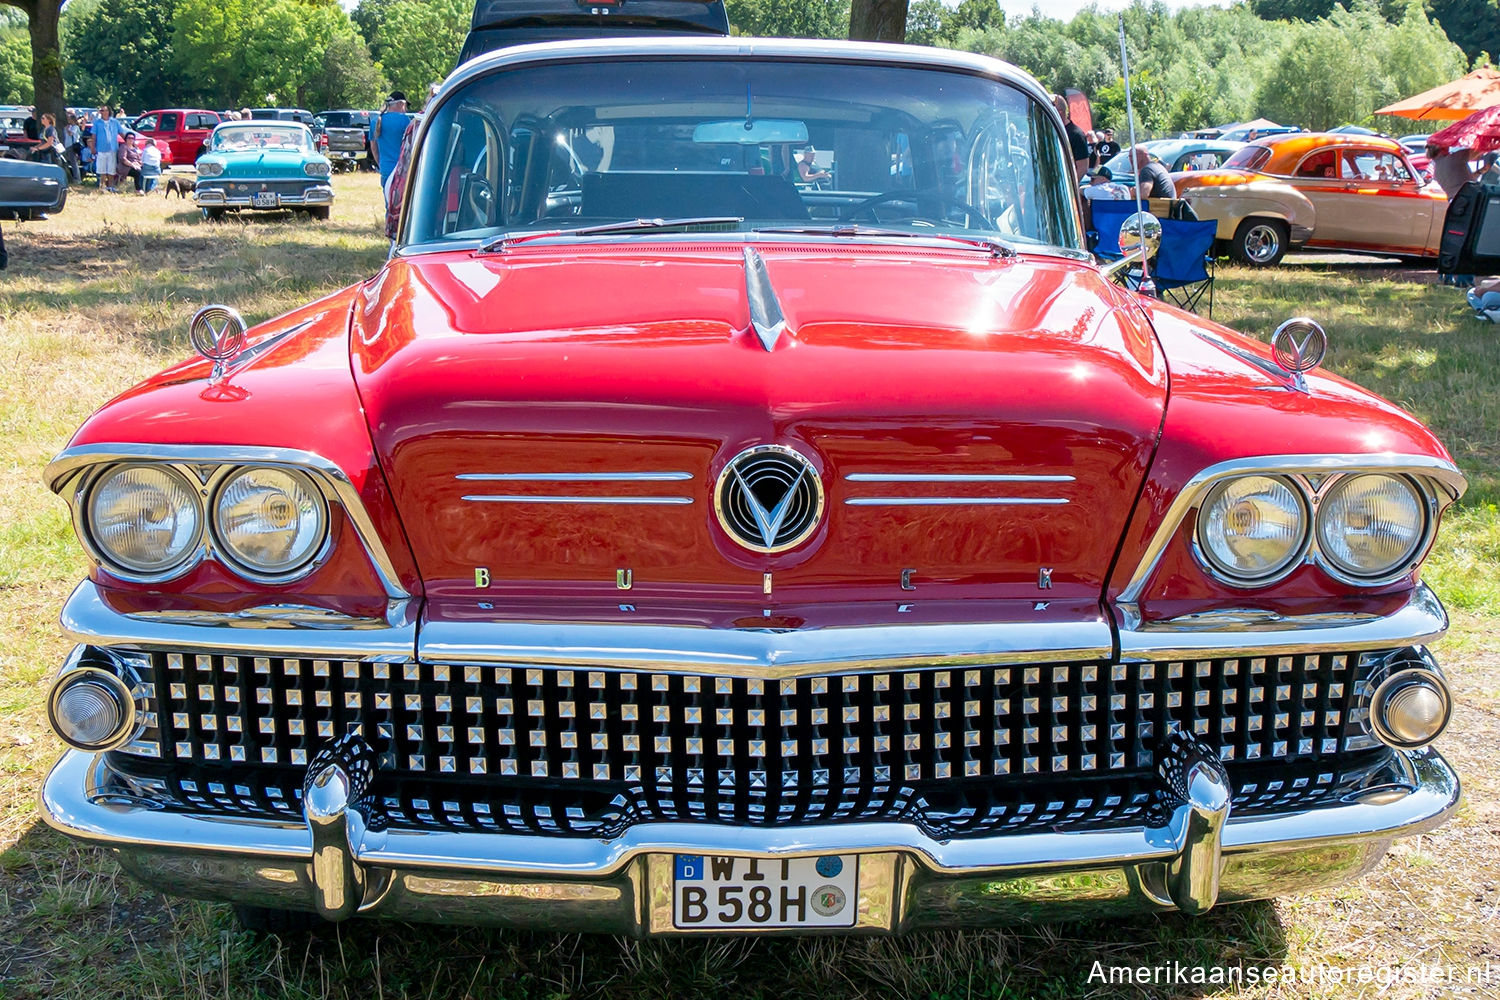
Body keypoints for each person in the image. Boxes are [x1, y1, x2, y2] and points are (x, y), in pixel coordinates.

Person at [371, 91, 412, 202]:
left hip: (385, 168)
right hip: (402, 169)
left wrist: (380, 163)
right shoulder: (404, 120)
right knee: (402, 204)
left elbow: (374, 148)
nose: (405, 109)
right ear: (400, 104)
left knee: (389, 204)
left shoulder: (376, 121)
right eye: (405, 106)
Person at [1052, 94, 1089, 181]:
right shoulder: (1051, 131)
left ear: (1060, 112)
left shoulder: (1076, 135)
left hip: (1063, 184)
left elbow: (1082, 168)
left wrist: (1070, 188)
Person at [91, 105, 122, 191]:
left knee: (111, 169)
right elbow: (94, 136)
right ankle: (102, 186)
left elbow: (121, 133)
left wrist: (129, 142)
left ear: (109, 111)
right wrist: (93, 147)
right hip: (101, 148)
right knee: (102, 169)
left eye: (106, 110)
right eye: (102, 111)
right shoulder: (97, 123)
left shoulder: (115, 122)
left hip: (112, 149)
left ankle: (111, 186)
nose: (104, 112)